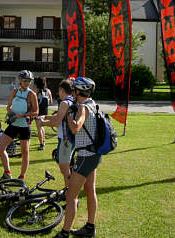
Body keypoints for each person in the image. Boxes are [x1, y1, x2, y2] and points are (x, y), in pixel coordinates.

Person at [54, 77, 101, 238]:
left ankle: (64, 233)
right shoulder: (93, 104)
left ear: (79, 91)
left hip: (85, 157)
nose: (72, 92)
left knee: (71, 195)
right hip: (94, 154)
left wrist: (69, 116)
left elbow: (75, 128)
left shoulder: (82, 107)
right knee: (90, 190)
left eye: (74, 89)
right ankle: (90, 227)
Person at [0, 70, 38, 181]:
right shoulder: (14, 91)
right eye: (25, 80)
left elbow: (36, 112)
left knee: (25, 153)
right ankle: (7, 172)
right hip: (13, 124)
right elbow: (8, 106)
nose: (27, 83)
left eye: (29, 81)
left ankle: (21, 177)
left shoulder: (31, 94)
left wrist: (21, 115)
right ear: (20, 80)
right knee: (0, 147)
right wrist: (10, 113)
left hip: (24, 126)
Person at [37, 79, 74, 186]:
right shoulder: (72, 100)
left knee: (64, 169)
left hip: (65, 139)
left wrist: (42, 124)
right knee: (65, 167)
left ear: (62, 90)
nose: (58, 93)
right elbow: (59, 117)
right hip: (70, 138)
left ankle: (69, 192)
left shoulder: (64, 103)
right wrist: (45, 116)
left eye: (59, 90)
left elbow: (57, 121)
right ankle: (69, 190)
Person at [34, 76, 53, 150]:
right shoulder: (48, 91)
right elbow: (51, 102)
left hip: (38, 111)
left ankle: (41, 144)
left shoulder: (36, 90)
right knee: (42, 126)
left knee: (39, 128)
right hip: (45, 111)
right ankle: (43, 141)